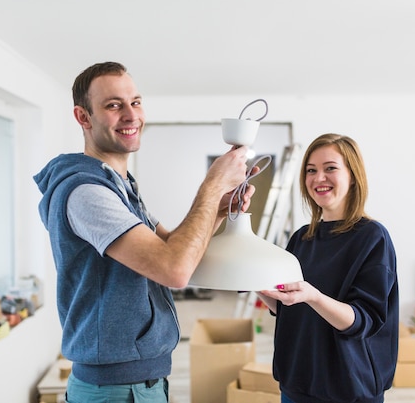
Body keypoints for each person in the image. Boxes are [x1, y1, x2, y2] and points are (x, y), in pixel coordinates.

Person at [33, 61, 255, 402]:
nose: (131, 115)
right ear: (83, 117)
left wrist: (219, 208)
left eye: (135, 102)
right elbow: (174, 269)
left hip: (138, 383)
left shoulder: (119, 185)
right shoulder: (87, 193)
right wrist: (211, 186)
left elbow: (171, 247)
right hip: (117, 390)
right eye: (113, 105)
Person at [259, 133, 399, 403]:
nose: (318, 178)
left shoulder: (372, 237)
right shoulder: (301, 238)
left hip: (348, 388)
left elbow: (362, 321)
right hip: (297, 384)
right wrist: (257, 284)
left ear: (353, 175)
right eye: (311, 170)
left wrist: (313, 295)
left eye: (330, 168)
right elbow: (288, 309)